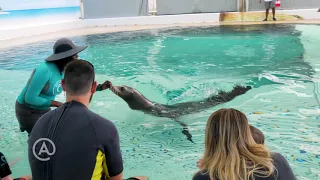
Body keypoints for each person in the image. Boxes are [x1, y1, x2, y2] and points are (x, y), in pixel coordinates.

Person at [27, 60, 148, 180]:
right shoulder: (104, 128)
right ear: (94, 87)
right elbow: (116, 178)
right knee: (142, 178)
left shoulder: (40, 123)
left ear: (63, 85)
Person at [15, 38, 111, 136]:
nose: (77, 56)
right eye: (75, 55)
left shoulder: (66, 69)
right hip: (27, 110)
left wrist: (99, 87)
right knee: (40, 139)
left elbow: (78, 86)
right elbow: (30, 98)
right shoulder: (44, 70)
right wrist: (57, 104)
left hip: (44, 107)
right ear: (66, 57)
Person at [193, 108, 296, 180]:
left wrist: (209, 171)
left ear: (210, 138)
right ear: (246, 133)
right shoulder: (274, 162)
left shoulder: (204, 177)